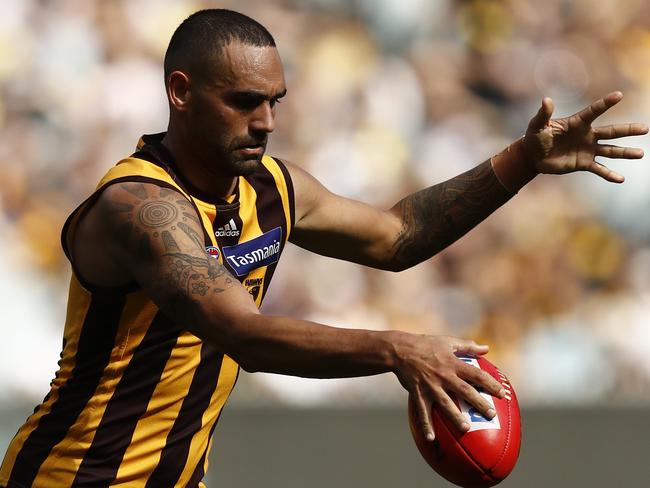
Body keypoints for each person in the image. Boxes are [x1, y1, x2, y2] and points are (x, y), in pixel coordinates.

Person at [1, 8, 647, 488]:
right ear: (180, 92)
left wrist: (522, 159)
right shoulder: (139, 206)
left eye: (275, 101)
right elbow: (242, 335)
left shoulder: (270, 187)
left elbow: (397, 237)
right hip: (69, 479)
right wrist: (397, 349)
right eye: (244, 102)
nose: (267, 122)